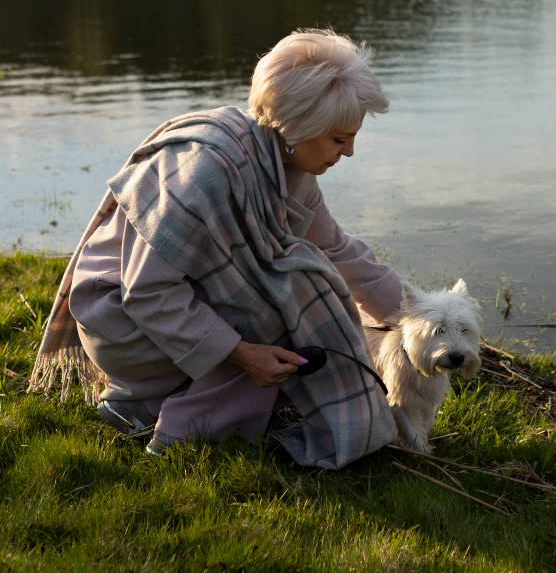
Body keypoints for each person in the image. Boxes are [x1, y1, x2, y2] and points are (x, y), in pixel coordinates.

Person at [31, 29, 401, 468]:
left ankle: (142, 405)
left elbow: (338, 251)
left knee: (296, 292)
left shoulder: (288, 166)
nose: (351, 152)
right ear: (301, 125)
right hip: (122, 320)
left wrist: (416, 316)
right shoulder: (204, 173)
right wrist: (244, 354)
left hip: (161, 311)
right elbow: (148, 292)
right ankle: (181, 430)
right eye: (340, 139)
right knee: (285, 310)